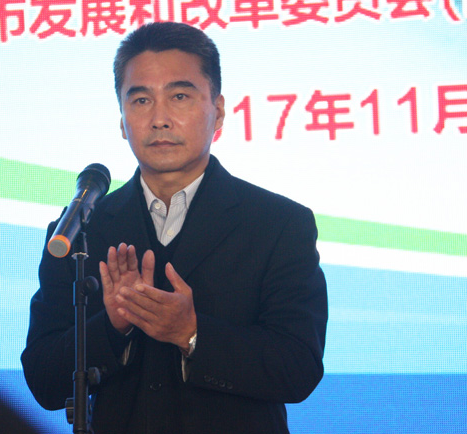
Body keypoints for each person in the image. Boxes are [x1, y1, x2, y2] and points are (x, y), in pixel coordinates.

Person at [21, 21, 328, 434]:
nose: (159, 119)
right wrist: (112, 326)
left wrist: (192, 333)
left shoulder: (278, 224)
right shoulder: (78, 233)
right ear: (122, 119)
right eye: (141, 100)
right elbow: (43, 381)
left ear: (218, 111)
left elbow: (298, 368)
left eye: (180, 96)